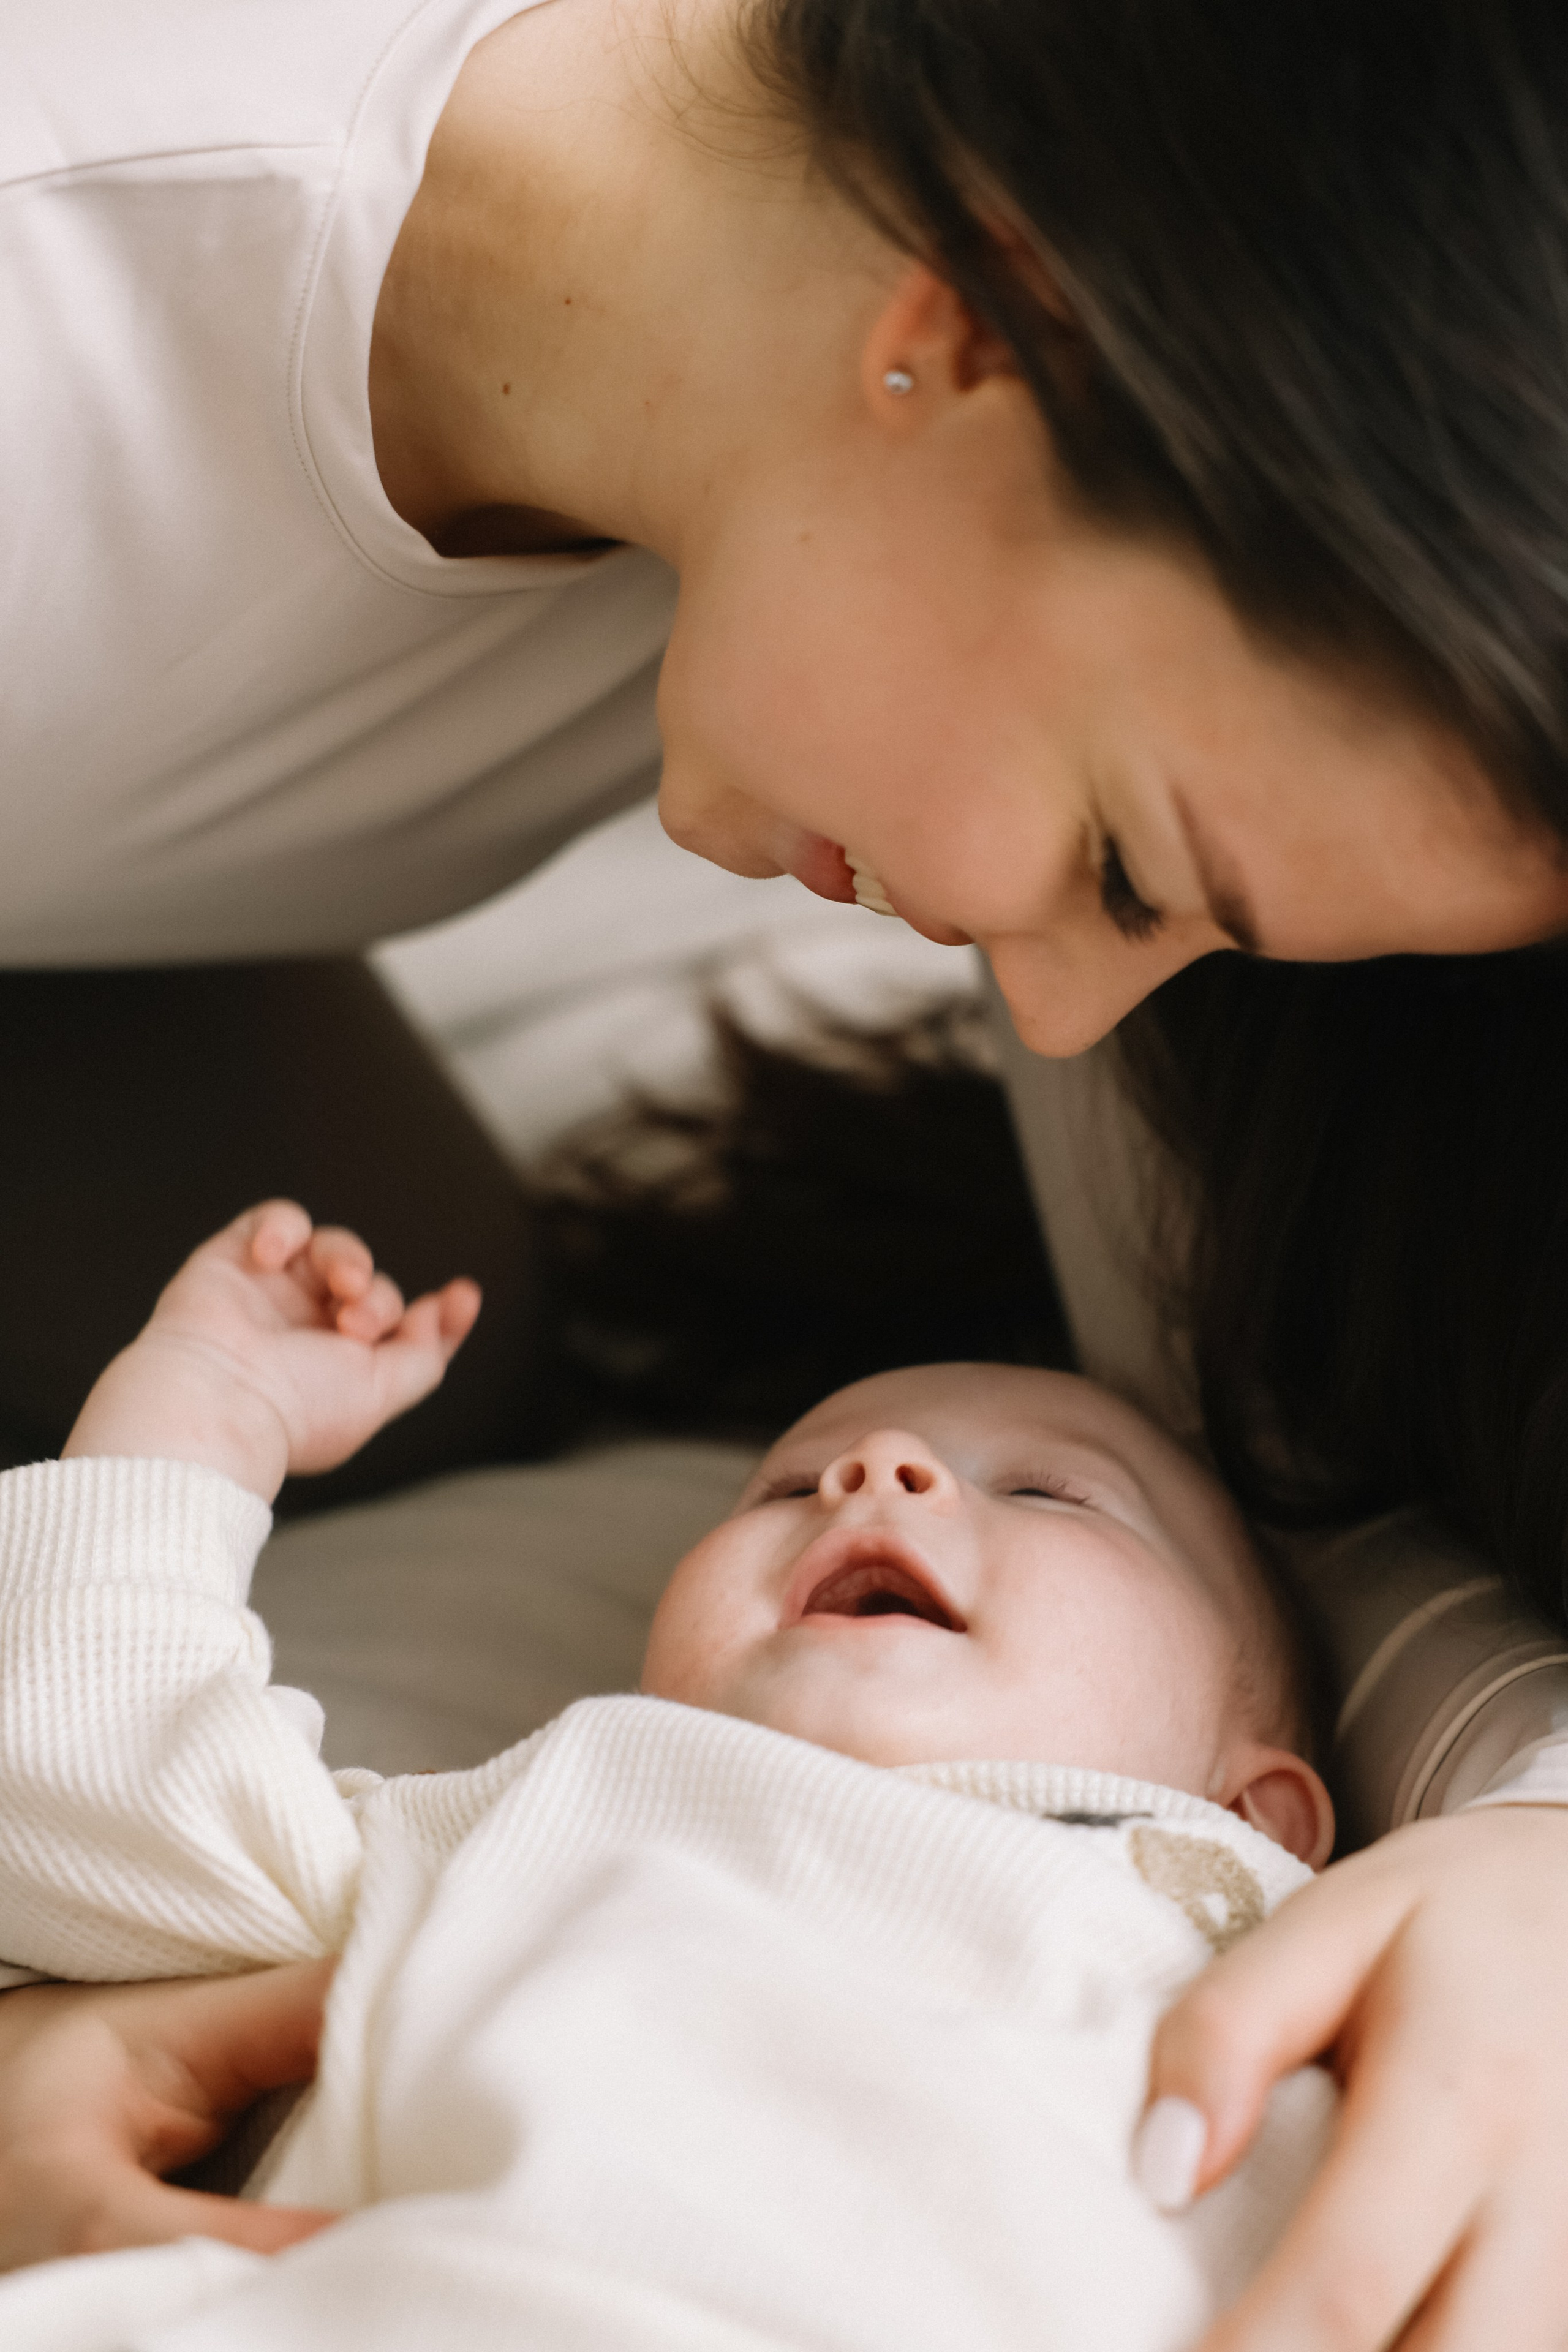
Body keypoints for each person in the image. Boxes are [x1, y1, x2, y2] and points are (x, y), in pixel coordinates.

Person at [10, 3, 1568, 2342]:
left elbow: (1261, 1496)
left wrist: (1541, 1848)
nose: (1048, 1024)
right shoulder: (87, 296)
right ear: (996, 319)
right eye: (1133, 863)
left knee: (451, 1300)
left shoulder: (913, 433)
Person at [0, 1200, 1343, 2348]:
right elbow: (101, 1807)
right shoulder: (552, 1815)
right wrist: (199, 1414)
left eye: (1051, 1495)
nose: (875, 1472)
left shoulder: (1292, 1951)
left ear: (1257, 1813)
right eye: (786, 1489)